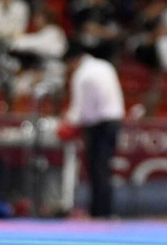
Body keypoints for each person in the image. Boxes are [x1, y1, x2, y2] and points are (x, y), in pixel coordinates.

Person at [61, 42, 125, 219]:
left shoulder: (82, 75)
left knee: (98, 170)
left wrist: (65, 124)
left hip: (99, 125)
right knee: (104, 168)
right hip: (114, 120)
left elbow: (80, 109)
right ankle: (102, 211)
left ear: (73, 61)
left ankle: (100, 212)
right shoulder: (105, 66)